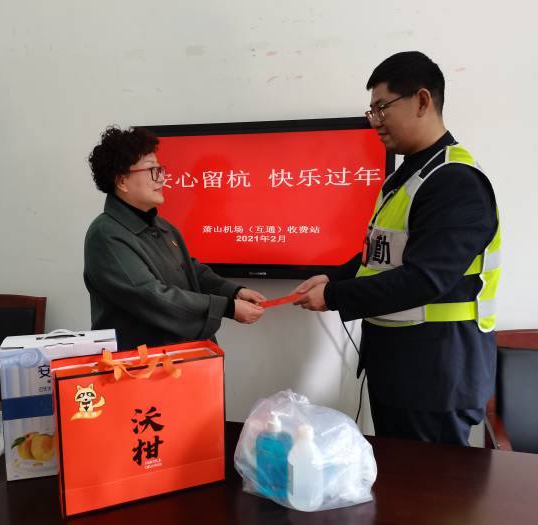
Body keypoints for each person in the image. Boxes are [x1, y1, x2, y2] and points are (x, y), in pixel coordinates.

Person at [293, 51, 501, 446]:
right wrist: (332, 277)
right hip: (401, 367)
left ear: (422, 100)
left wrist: (334, 296)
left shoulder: (454, 181)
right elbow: (381, 254)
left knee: (431, 484)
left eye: (382, 107)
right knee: (402, 478)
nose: (375, 121)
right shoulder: (408, 176)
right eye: (371, 111)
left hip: (435, 374)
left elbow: (426, 279)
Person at [84, 126, 266, 351]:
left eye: (160, 170)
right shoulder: (105, 235)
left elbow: (190, 270)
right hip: (142, 362)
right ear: (122, 181)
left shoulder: (163, 226)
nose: (161, 179)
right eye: (152, 170)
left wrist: (233, 291)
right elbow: (149, 295)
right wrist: (227, 307)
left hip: (185, 354)